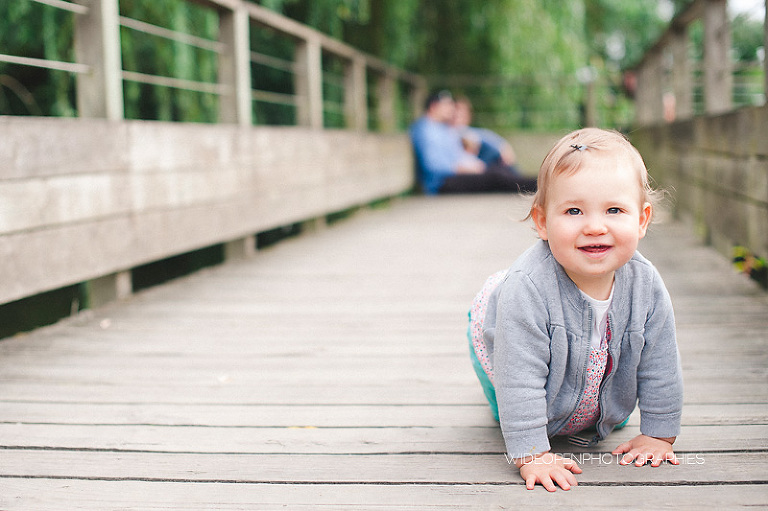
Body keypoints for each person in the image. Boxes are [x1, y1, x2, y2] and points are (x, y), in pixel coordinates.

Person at [468, 128, 683, 492]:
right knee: (512, 400)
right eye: (573, 211)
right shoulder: (526, 289)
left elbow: (660, 362)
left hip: (592, 356)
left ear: (642, 219)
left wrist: (658, 435)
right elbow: (518, 377)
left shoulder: (646, 285)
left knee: (608, 409)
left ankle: (586, 406)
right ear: (542, 222)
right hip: (502, 340)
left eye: (614, 210)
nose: (595, 227)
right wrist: (532, 453)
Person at [409, 90, 536, 195]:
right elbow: (433, 166)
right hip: (442, 183)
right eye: (447, 105)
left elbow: (475, 135)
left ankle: (536, 183)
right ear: (433, 106)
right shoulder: (425, 129)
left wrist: (475, 163)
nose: (451, 109)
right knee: (495, 177)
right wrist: (465, 168)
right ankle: (535, 186)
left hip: (454, 176)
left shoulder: (442, 128)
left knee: (498, 168)